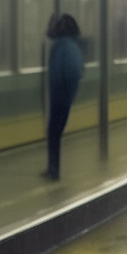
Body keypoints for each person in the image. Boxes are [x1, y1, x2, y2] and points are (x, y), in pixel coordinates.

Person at [43, 13, 84, 180]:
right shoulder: (69, 46)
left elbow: (72, 72)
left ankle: (54, 170)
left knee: (54, 132)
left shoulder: (64, 47)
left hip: (60, 97)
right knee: (54, 133)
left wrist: (62, 89)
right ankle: (53, 168)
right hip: (61, 96)